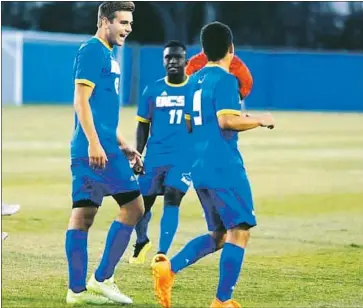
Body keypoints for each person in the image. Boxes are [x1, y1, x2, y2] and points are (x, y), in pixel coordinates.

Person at [151, 21, 275, 308]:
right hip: (224, 166)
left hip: (199, 166)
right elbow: (226, 120)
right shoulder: (226, 80)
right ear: (231, 49)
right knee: (240, 230)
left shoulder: (192, 82)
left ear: (204, 51)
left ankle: (168, 269)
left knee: (218, 235)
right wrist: (260, 120)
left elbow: (188, 125)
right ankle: (222, 301)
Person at [65, 1, 144, 305]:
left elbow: (101, 113)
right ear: (104, 21)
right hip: (95, 150)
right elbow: (80, 101)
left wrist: (124, 145)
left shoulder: (109, 56)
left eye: (130, 24)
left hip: (101, 147)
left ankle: (76, 291)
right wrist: (96, 144)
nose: (127, 29)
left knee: (84, 214)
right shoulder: (92, 50)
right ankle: (101, 279)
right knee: (134, 207)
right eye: (123, 22)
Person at [129, 41, 192, 264]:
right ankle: (142, 240)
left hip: (183, 159)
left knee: (173, 197)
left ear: (186, 60)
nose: (173, 61)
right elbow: (143, 125)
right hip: (155, 157)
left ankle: (162, 252)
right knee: (139, 206)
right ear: (163, 61)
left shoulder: (195, 90)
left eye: (177, 57)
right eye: (168, 58)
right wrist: (137, 154)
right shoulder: (152, 90)